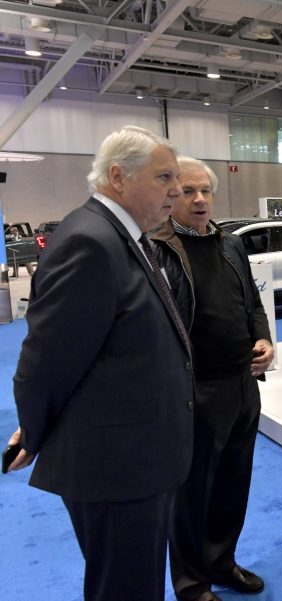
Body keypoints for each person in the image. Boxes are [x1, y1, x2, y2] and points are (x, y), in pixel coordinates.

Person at [5, 125, 194, 601]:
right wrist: (34, 429)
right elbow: (45, 359)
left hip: (136, 457)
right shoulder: (91, 241)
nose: (175, 188)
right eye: (164, 177)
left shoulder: (122, 236)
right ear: (118, 177)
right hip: (116, 466)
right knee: (125, 588)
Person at [151, 157, 274, 601]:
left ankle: (222, 562)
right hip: (194, 391)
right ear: (171, 195)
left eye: (205, 191)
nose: (200, 199)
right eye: (188, 191)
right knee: (190, 494)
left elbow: (252, 302)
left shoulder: (229, 244)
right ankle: (191, 583)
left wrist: (262, 338)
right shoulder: (157, 249)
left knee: (231, 484)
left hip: (242, 384)